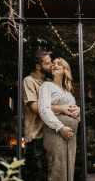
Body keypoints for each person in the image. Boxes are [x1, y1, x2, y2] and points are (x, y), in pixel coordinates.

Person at [22, 51, 80, 181]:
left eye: (56, 63)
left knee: (56, 170)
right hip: (37, 133)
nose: (52, 65)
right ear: (38, 66)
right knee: (43, 172)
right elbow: (38, 108)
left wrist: (77, 110)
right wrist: (62, 110)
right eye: (49, 63)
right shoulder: (31, 81)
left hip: (54, 133)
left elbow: (69, 106)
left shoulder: (51, 83)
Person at [38, 57, 79, 181]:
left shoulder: (68, 92)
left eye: (59, 64)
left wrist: (78, 111)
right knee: (57, 169)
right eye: (53, 64)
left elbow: (75, 115)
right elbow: (43, 110)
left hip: (70, 136)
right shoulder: (47, 86)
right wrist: (61, 128)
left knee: (69, 168)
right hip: (55, 132)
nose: (55, 65)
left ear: (65, 69)